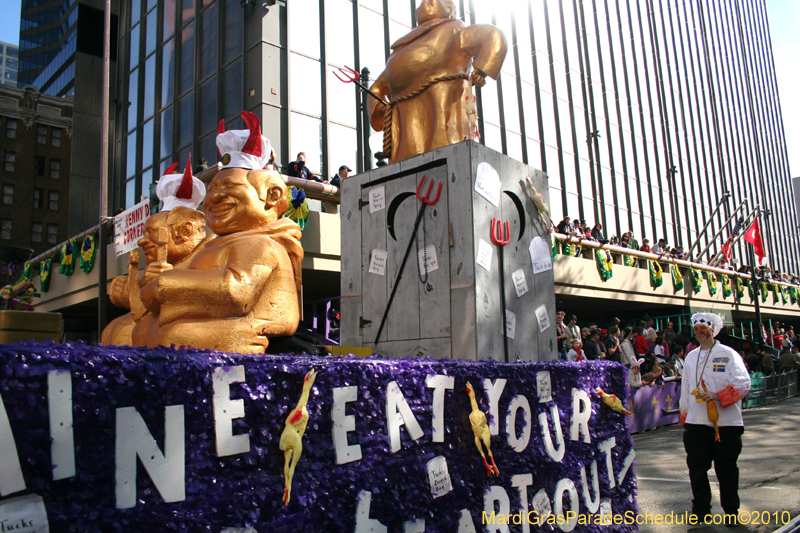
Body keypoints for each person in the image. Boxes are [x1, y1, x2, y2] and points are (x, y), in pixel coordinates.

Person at [137, 111, 304, 354]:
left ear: (272, 196)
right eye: (213, 187)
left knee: (174, 337)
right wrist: (152, 281)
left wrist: (164, 283)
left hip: (247, 327)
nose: (215, 196)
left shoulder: (260, 244)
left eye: (230, 186)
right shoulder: (214, 245)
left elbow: (236, 290)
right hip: (216, 322)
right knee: (144, 331)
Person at [367, 0, 507, 162]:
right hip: (404, 127)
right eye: (421, 3)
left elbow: (494, 35)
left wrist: (481, 69)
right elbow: (376, 88)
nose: (425, 3)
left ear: (449, 9)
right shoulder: (400, 50)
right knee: (409, 158)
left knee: (442, 147)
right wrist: (381, 110)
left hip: (445, 113)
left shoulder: (455, 30)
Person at [104, 160, 211, 346]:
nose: (142, 241)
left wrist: (168, 282)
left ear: (186, 231)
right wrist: (136, 282)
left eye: (152, 233)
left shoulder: (211, 256)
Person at [680, 313, 751, 524]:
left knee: (727, 469)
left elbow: (743, 383)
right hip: (696, 424)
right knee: (697, 469)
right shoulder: (691, 357)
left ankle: (731, 512)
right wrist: (685, 417)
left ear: (713, 330)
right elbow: (685, 390)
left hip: (726, 424)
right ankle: (701, 511)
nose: (700, 333)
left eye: (704, 329)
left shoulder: (728, 354)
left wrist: (717, 396)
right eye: (697, 329)